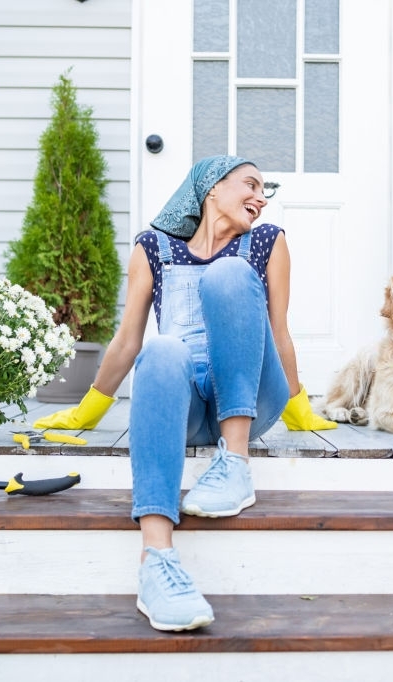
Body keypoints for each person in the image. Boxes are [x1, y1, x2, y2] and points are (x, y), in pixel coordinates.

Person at [32, 155, 336, 632]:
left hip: (253, 397)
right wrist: (87, 411)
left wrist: (299, 407)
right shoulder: (153, 248)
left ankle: (235, 463)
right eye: (250, 184)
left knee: (228, 276)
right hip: (192, 405)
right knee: (161, 350)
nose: (261, 197)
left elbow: (278, 333)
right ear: (211, 188)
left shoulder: (266, 243)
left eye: (265, 190)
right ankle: (156, 561)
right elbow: (128, 341)